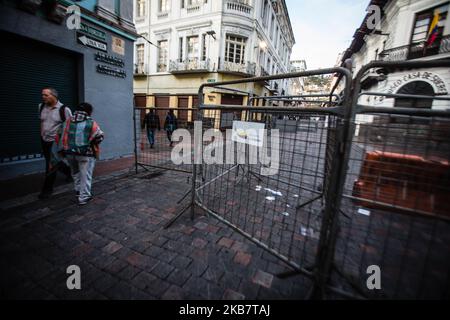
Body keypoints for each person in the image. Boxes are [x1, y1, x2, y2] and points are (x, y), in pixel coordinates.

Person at [57, 102, 104, 205]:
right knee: (86, 175)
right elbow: (100, 136)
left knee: (75, 173)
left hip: (69, 153)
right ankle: (84, 197)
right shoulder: (91, 122)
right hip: (85, 154)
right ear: (89, 112)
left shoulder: (67, 121)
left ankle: (78, 191)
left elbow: (59, 134)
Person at [38, 87, 73, 199]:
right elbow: (42, 122)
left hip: (56, 141)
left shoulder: (64, 110)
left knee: (50, 164)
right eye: (42, 95)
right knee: (53, 161)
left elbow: (69, 127)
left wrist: (64, 143)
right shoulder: (41, 106)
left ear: (54, 96)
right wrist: (41, 135)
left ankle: (47, 190)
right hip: (44, 140)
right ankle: (69, 172)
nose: (43, 97)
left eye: (46, 95)